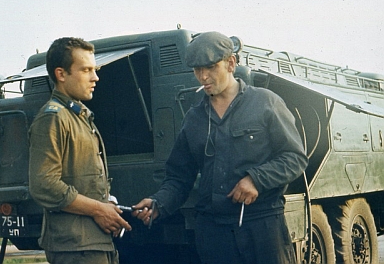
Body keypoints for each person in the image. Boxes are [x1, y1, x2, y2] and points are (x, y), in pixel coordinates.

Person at [132, 31, 308, 264]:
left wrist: (256, 179)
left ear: (231, 63)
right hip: (214, 232)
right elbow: (178, 177)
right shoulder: (194, 118)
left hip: (262, 226)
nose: (203, 76)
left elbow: (295, 157)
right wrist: (159, 203)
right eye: (197, 69)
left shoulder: (266, 103)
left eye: (211, 67)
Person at [29, 37, 131, 264]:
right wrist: (98, 210)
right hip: (75, 247)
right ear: (61, 74)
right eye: (86, 70)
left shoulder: (77, 115)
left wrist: (107, 205)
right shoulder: (53, 118)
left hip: (91, 242)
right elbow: (44, 184)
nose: (95, 77)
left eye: (94, 69)